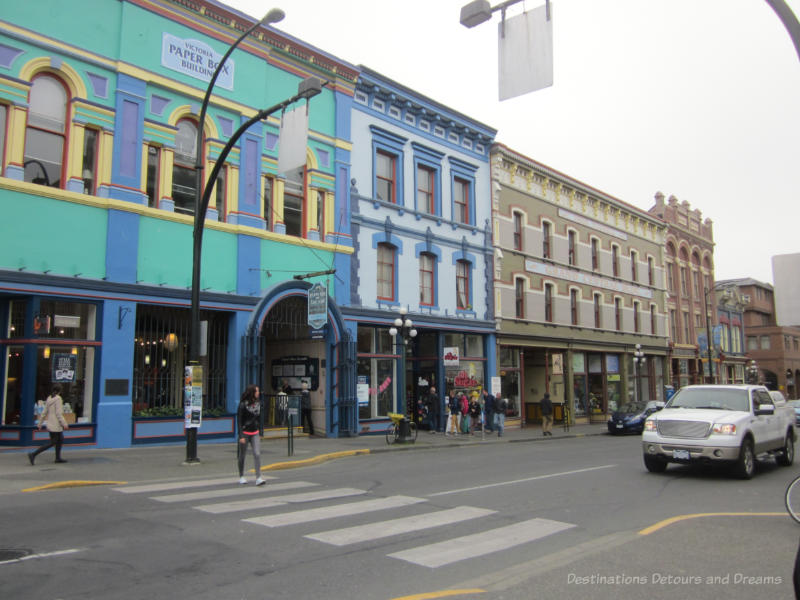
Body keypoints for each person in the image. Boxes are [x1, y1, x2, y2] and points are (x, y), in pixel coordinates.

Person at [29, 385, 69, 465]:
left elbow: (44, 412)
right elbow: (58, 414)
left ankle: (58, 458)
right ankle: (33, 454)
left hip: (50, 423)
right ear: (60, 391)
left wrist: (40, 423)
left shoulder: (49, 398)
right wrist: (64, 423)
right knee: (53, 442)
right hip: (56, 424)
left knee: (60, 439)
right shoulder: (58, 399)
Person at [237, 384, 265, 485]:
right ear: (252, 392)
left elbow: (260, 418)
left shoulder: (258, 403)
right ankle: (241, 476)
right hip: (245, 432)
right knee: (242, 455)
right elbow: (239, 421)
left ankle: (258, 477)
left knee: (257, 453)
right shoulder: (243, 404)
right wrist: (241, 435)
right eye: (257, 391)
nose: (258, 393)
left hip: (255, 432)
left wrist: (261, 431)